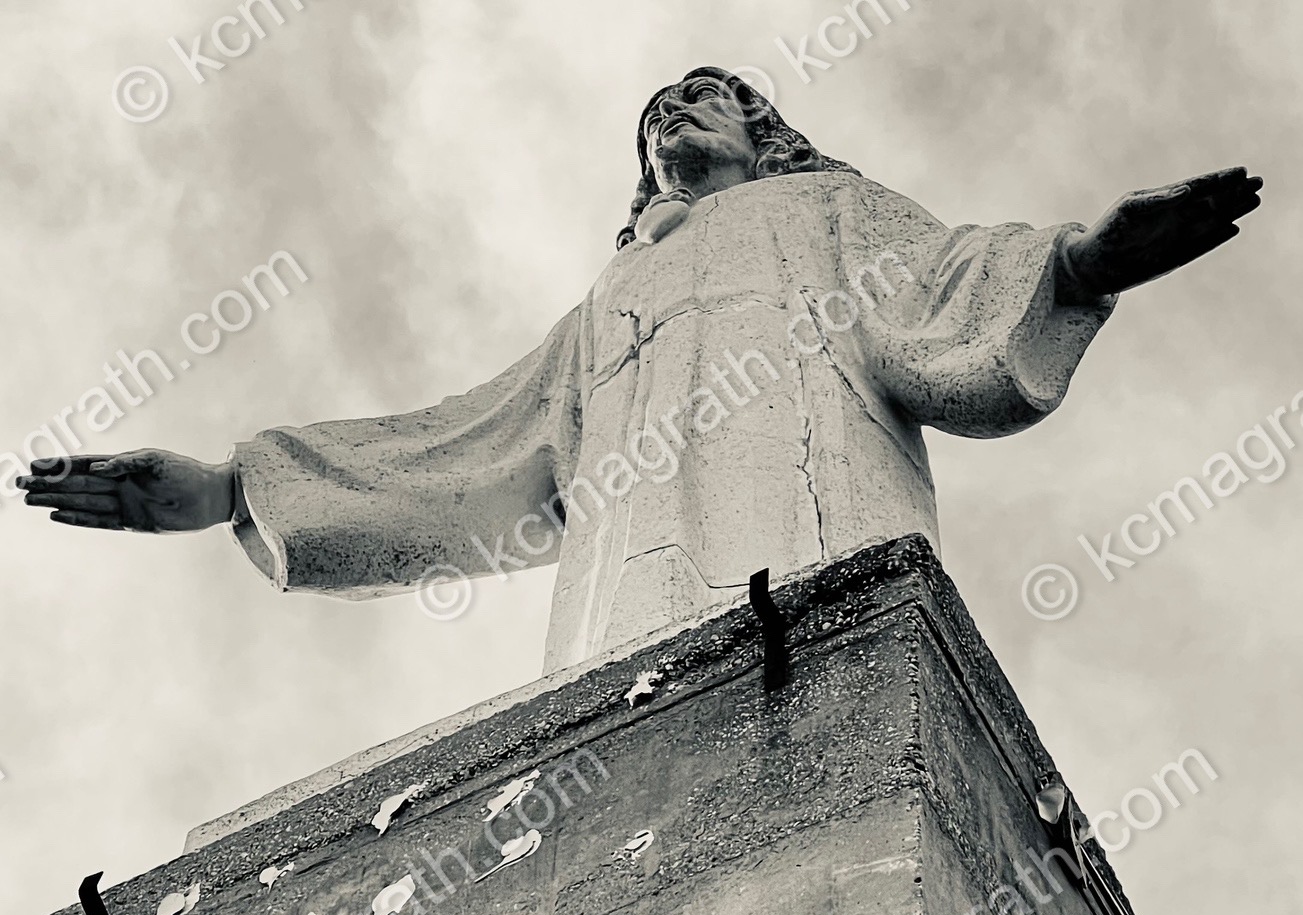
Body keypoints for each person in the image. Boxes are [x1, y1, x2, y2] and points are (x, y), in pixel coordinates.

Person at [19, 68, 1262, 674]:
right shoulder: (613, 295)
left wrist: (1087, 259)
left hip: (823, 540)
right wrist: (234, 486)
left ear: (761, 128)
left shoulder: (826, 211)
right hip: (623, 620)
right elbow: (470, 449)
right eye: (659, 111)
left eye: (706, 99)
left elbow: (940, 297)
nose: (677, 115)